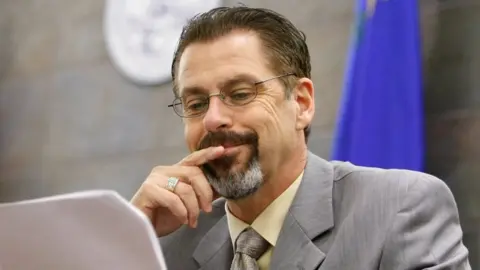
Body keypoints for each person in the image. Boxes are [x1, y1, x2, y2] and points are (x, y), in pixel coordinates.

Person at [130, 6, 471, 270]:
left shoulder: (400, 209)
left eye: (240, 94)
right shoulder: (163, 243)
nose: (214, 118)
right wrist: (120, 240)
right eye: (197, 103)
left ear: (302, 103)